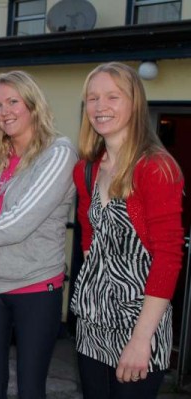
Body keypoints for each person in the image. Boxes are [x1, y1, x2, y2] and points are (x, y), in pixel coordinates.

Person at [0, 70, 77, 399]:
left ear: (33, 105)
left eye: (13, 102)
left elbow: (19, 222)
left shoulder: (58, 153)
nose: (5, 111)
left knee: (30, 387)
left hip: (35, 286)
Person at [70, 62, 184, 399]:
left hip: (140, 324)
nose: (100, 107)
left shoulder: (156, 167)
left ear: (134, 103)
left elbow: (168, 257)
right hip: (92, 322)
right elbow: (90, 239)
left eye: (112, 97)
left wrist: (141, 339)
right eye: (92, 98)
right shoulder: (86, 169)